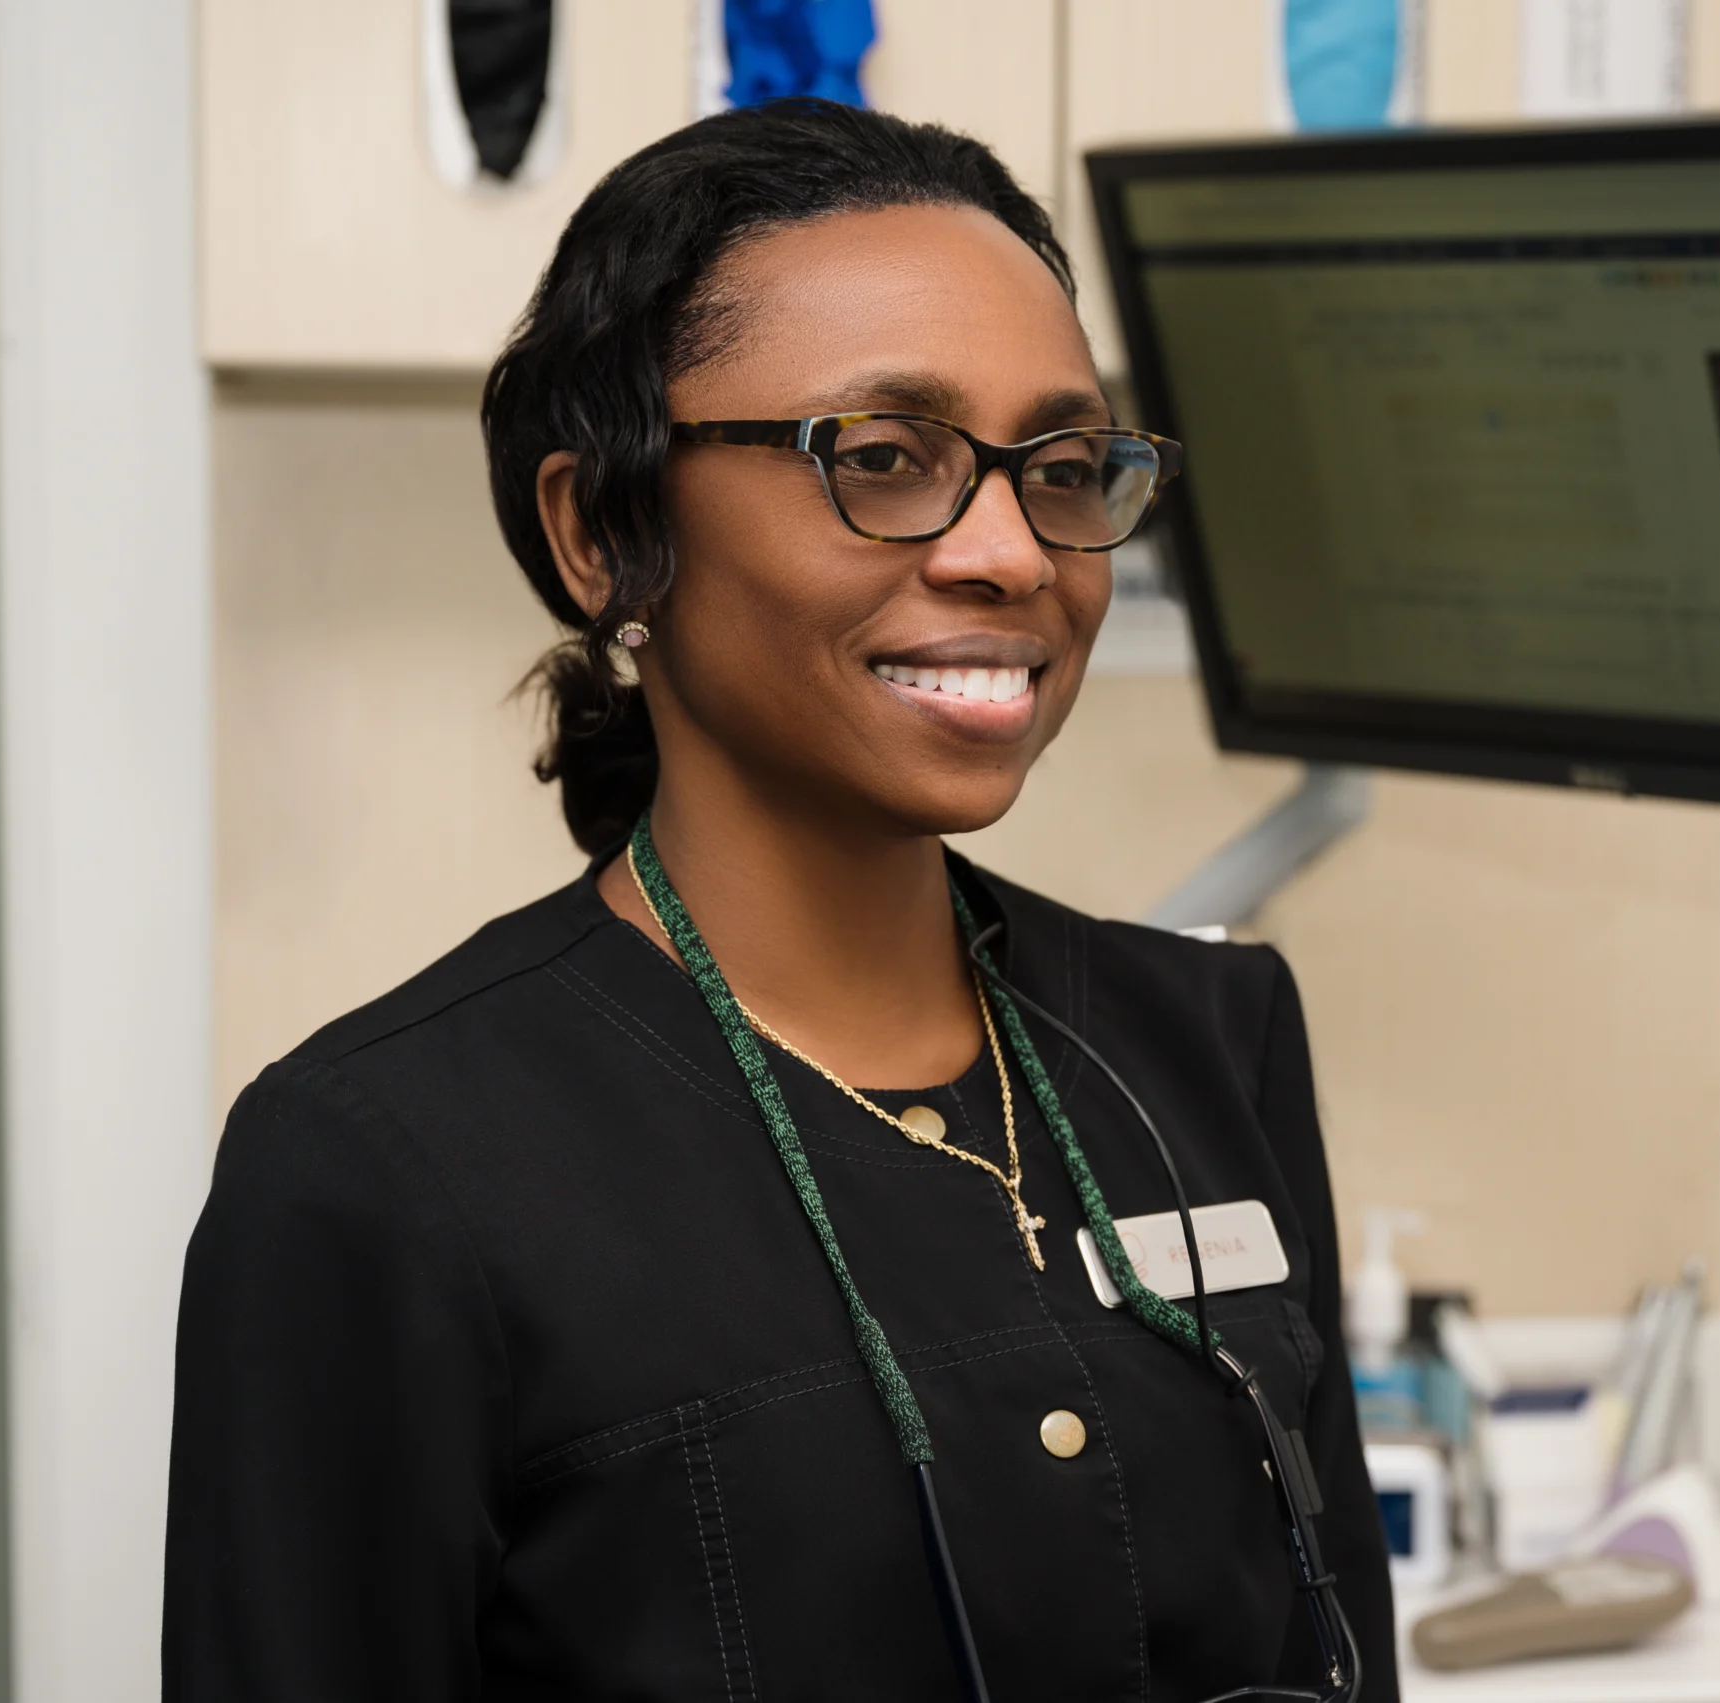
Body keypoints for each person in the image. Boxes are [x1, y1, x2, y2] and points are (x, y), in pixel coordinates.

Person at [164, 97, 1396, 1701]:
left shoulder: (1206, 1043)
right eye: (886, 460)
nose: (1015, 553)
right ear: (604, 529)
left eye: (1067, 466)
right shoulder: (385, 1173)